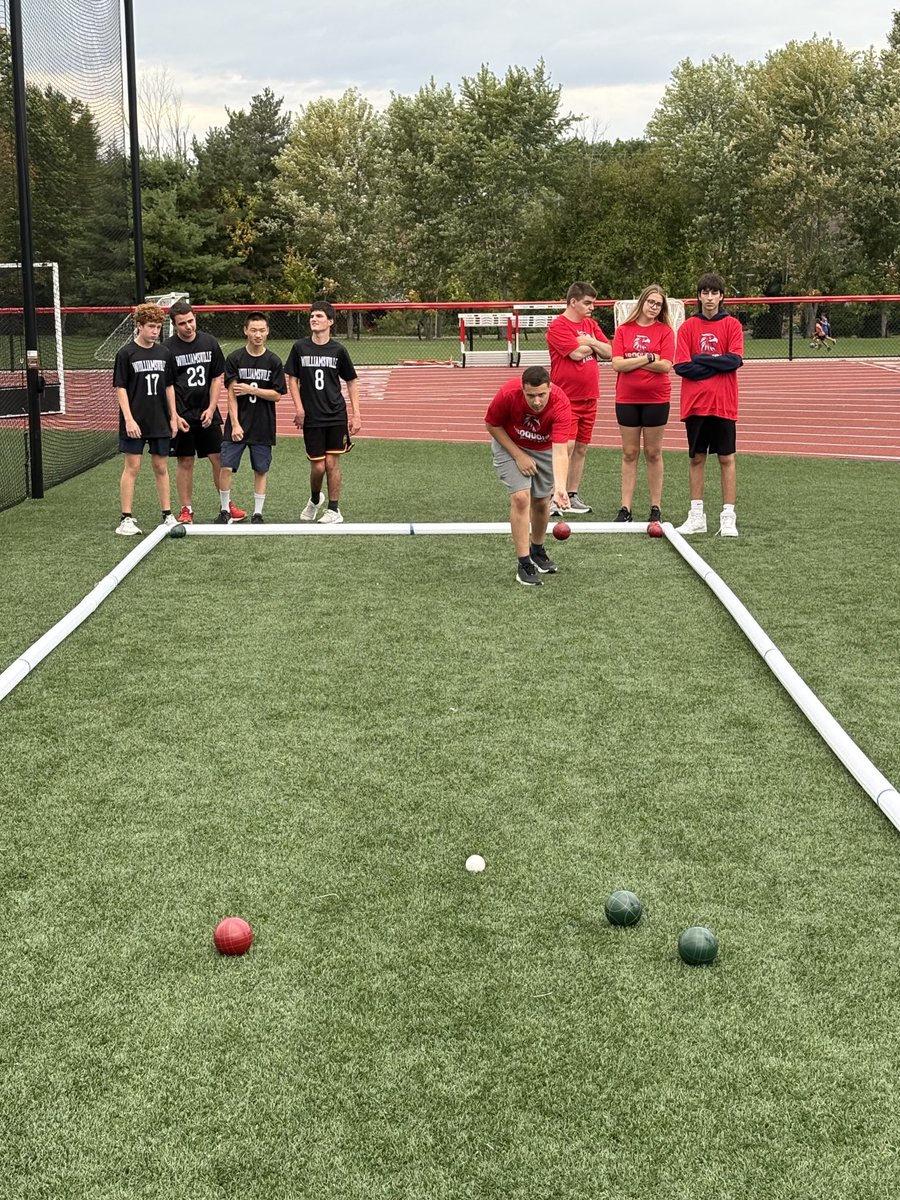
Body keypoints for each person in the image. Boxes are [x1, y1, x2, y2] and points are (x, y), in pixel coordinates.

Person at [484, 365, 571, 586]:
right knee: (521, 497)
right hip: (510, 444)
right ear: (522, 390)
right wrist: (518, 455)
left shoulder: (561, 403)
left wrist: (560, 487)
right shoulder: (508, 393)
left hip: (543, 448)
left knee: (542, 502)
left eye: (542, 394)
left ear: (550, 388)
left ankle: (537, 550)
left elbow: (560, 451)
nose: (537, 401)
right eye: (531, 395)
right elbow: (492, 424)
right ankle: (524, 563)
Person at [673, 272, 744, 537]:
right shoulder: (689, 327)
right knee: (697, 458)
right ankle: (696, 515)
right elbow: (682, 366)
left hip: (724, 403)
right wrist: (715, 363)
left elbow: (734, 361)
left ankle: (728, 516)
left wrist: (701, 358)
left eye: (714, 293)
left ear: (722, 296)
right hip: (695, 404)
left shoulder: (732, 325)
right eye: (705, 292)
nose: (710, 298)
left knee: (726, 458)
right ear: (699, 296)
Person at [165, 300, 246, 524]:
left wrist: (212, 408)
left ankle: (226, 505)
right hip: (183, 414)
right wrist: (175, 415)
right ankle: (186, 509)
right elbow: (167, 385)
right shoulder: (168, 349)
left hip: (206, 412)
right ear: (174, 324)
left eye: (191, 321)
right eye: (182, 323)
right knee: (185, 460)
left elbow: (216, 378)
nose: (188, 326)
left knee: (219, 457)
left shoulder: (209, 342)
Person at [113, 302, 187, 536]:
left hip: (159, 420)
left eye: (158, 327)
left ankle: (167, 514)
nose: (155, 331)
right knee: (132, 467)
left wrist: (173, 416)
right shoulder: (126, 354)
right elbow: (121, 388)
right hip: (136, 419)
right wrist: (129, 419)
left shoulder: (164, 353)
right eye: (151, 327)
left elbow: (169, 387)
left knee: (161, 466)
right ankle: (126, 518)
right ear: (139, 326)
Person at [285, 301, 361, 525]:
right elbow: (292, 379)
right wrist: (298, 407)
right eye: (312, 316)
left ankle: (334, 509)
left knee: (331, 463)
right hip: (312, 416)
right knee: (317, 467)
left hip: (336, 414)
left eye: (319, 316)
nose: (314, 319)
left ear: (330, 321)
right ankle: (316, 499)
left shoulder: (338, 350)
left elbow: (352, 381)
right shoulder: (300, 347)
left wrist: (357, 414)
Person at [610, 284, 675, 523]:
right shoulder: (624, 330)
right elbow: (616, 364)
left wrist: (633, 361)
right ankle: (625, 508)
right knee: (629, 453)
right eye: (651, 302)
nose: (654, 307)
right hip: (627, 398)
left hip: (656, 399)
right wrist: (648, 357)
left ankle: (655, 507)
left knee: (653, 452)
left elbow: (666, 365)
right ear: (642, 302)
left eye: (658, 304)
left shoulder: (665, 332)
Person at [546, 281, 611, 514]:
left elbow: (610, 351)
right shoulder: (558, 326)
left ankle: (571, 494)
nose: (592, 307)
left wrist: (590, 342)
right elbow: (574, 353)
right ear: (573, 302)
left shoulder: (591, 325)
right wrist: (593, 347)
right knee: (566, 446)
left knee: (581, 447)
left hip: (590, 396)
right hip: (566, 397)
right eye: (587, 303)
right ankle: (555, 495)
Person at [215, 313, 286, 524]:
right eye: (254, 330)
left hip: (262, 424)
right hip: (238, 423)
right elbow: (231, 393)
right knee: (226, 466)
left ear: (267, 331)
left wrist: (250, 389)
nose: (258, 335)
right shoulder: (235, 358)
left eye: (262, 330)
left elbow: (277, 395)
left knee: (261, 469)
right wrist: (235, 424)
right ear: (245, 331)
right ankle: (224, 509)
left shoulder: (273, 361)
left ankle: (258, 513)